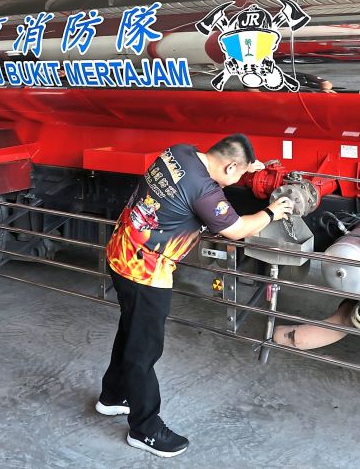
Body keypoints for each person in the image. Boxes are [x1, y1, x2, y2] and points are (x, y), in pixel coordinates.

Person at [98, 134, 295, 458]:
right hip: (146, 273)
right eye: (239, 173)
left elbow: (219, 170)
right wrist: (273, 211)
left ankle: (112, 396)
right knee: (143, 352)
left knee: (130, 331)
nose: (239, 179)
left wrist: (249, 167)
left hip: (121, 252)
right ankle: (144, 429)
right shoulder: (205, 192)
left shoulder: (179, 152)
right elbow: (237, 229)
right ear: (230, 165)